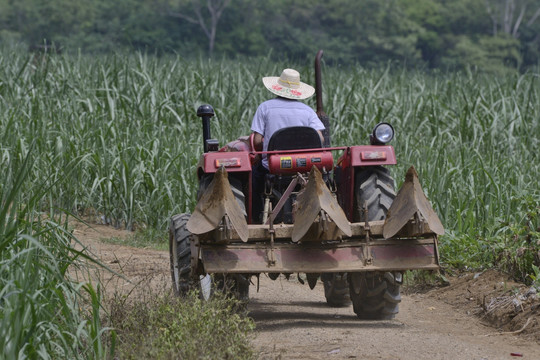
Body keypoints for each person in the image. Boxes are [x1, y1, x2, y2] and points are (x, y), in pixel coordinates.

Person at [250, 68, 325, 222]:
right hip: (304, 167)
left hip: (273, 167)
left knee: (252, 177)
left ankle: (254, 217)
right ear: (297, 91)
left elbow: (257, 141)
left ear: (278, 88)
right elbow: (320, 139)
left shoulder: (265, 107)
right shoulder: (308, 111)